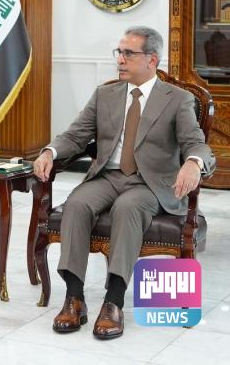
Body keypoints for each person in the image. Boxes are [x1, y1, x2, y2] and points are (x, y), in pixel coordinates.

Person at [33, 26, 215, 340]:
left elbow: (196, 144)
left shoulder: (178, 99)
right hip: (107, 176)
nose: (120, 59)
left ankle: (113, 302)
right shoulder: (105, 95)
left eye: (128, 53)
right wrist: (50, 151)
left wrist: (193, 163)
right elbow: (75, 135)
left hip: (149, 183)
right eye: (119, 52)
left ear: (151, 60)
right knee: (76, 203)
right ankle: (74, 298)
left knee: (128, 208)